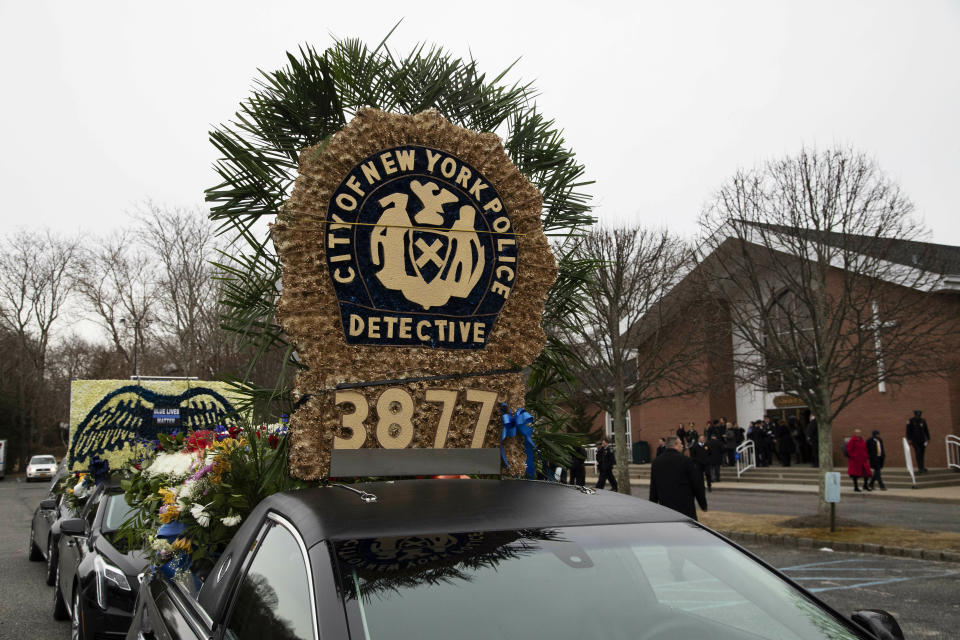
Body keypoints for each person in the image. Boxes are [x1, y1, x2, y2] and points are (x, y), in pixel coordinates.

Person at [649, 436, 708, 520]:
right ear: (675, 445)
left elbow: (653, 487)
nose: (683, 446)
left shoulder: (656, 462)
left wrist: (653, 505)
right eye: (681, 443)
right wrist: (703, 505)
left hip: (665, 507)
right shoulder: (686, 461)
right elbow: (697, 484)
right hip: (684, 506)